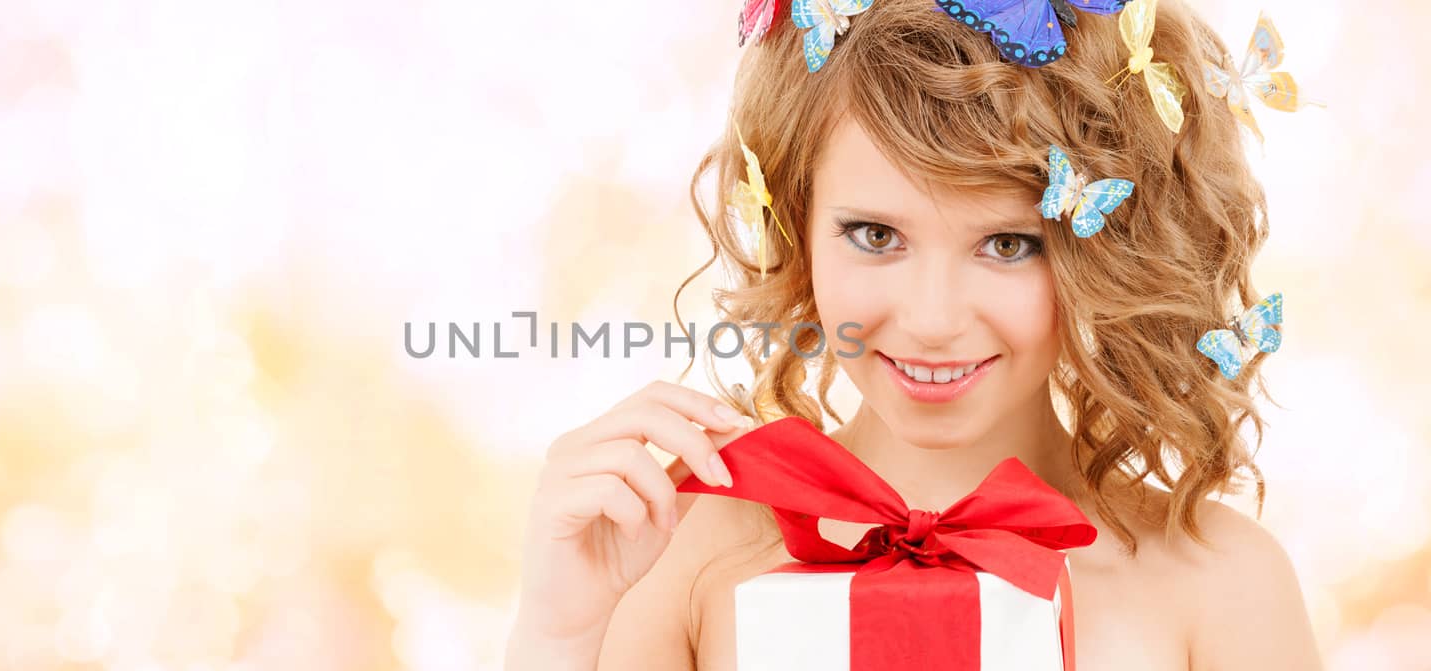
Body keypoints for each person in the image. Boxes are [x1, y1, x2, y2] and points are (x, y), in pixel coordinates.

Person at [506, 1, 1323, 668]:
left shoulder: (1222, 588)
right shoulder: (677, 556)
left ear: (1105, 252)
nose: (932, 320)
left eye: (1007, 244)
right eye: (874, 235)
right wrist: (558, 635)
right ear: (795, 225)